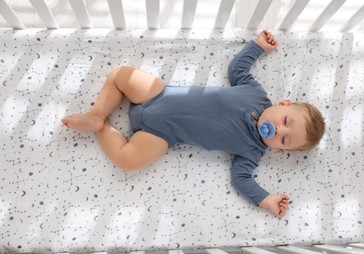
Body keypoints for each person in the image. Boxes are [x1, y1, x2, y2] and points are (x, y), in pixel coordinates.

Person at [62, 30, 325, 219]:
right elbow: (238, 70)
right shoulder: (257, 94)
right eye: (286, 121)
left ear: (279, 151)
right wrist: (257, 47)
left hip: (160, 135)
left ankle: (102, 127)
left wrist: (265, 199)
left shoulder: (252, 151)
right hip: (158, 95)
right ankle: (98, 112)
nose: (279, 130)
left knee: (127, 161)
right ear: (282, 104)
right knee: (121, 74)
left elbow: (240, 178)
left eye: (284, 140)